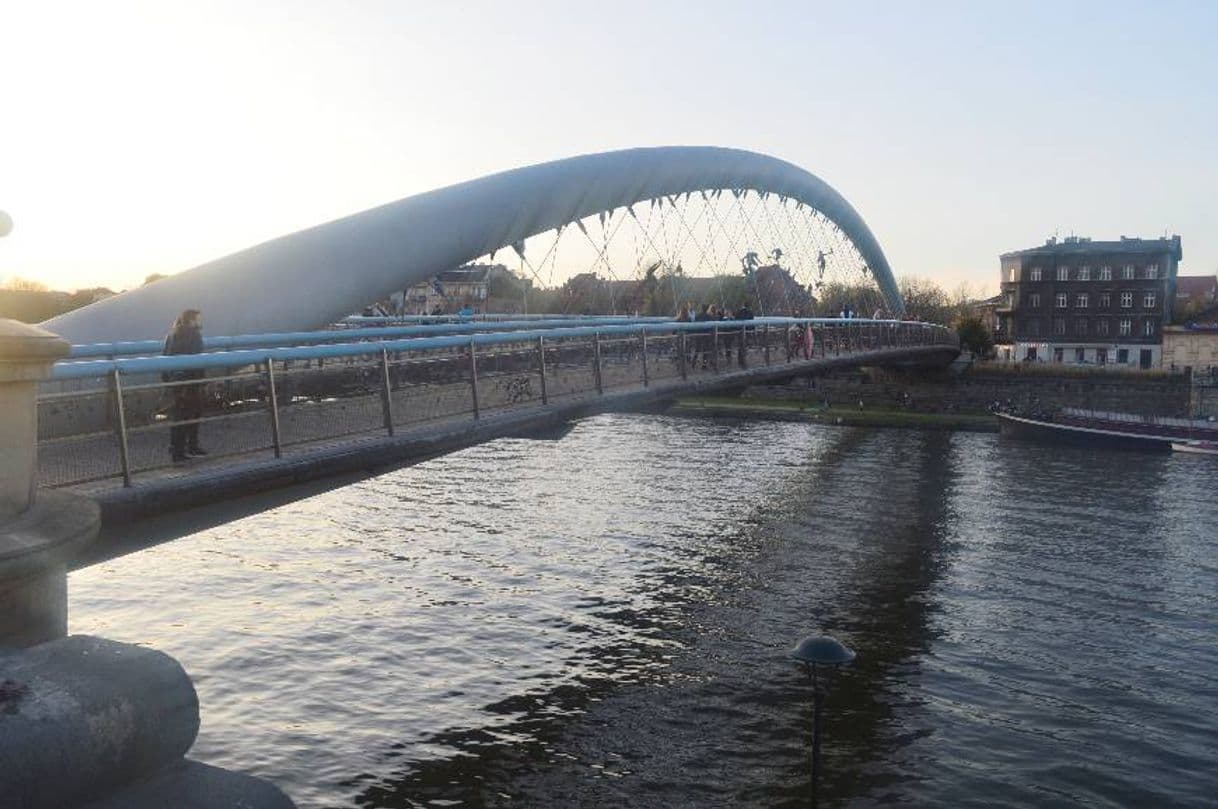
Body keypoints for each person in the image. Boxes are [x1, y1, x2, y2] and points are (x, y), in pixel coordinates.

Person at [163, 309, 206, 462]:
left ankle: (178, 448)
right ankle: (189, 448)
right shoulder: (194, 335)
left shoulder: (171, 334)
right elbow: (197, 359)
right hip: (191, 381)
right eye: (198, 319)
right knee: (192, 413)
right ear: (192, 320)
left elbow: (165, 357)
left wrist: (168, 381)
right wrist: (201, 380)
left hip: (176, 381)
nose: (200, 322)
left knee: (180, 415)